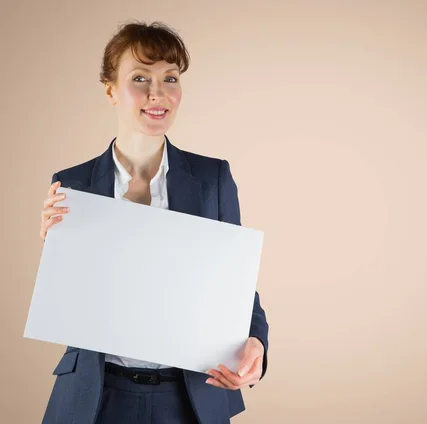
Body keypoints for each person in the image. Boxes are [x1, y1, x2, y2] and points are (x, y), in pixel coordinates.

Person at [38, 21, 269, 424]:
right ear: (110, 90)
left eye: (170, 78)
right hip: (96, 396)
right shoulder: (72, 183)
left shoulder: (213, 178)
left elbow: (235, 285)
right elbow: (72, 302)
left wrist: (257, 343)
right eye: (140, 77)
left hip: (189, 396)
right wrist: (54, 252)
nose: (157, 93)